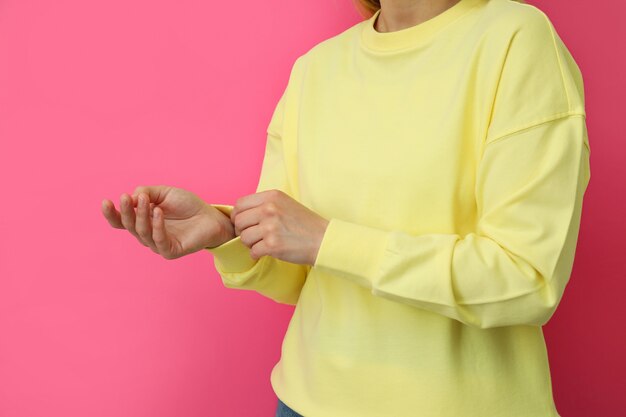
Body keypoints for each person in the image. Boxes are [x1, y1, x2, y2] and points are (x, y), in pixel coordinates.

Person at [101, 0, 591, 415]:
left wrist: (325, 239)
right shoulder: (316, 68)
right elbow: (299, 272)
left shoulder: (514, 37)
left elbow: (526, 279)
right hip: (304, 402)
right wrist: (227, 232)